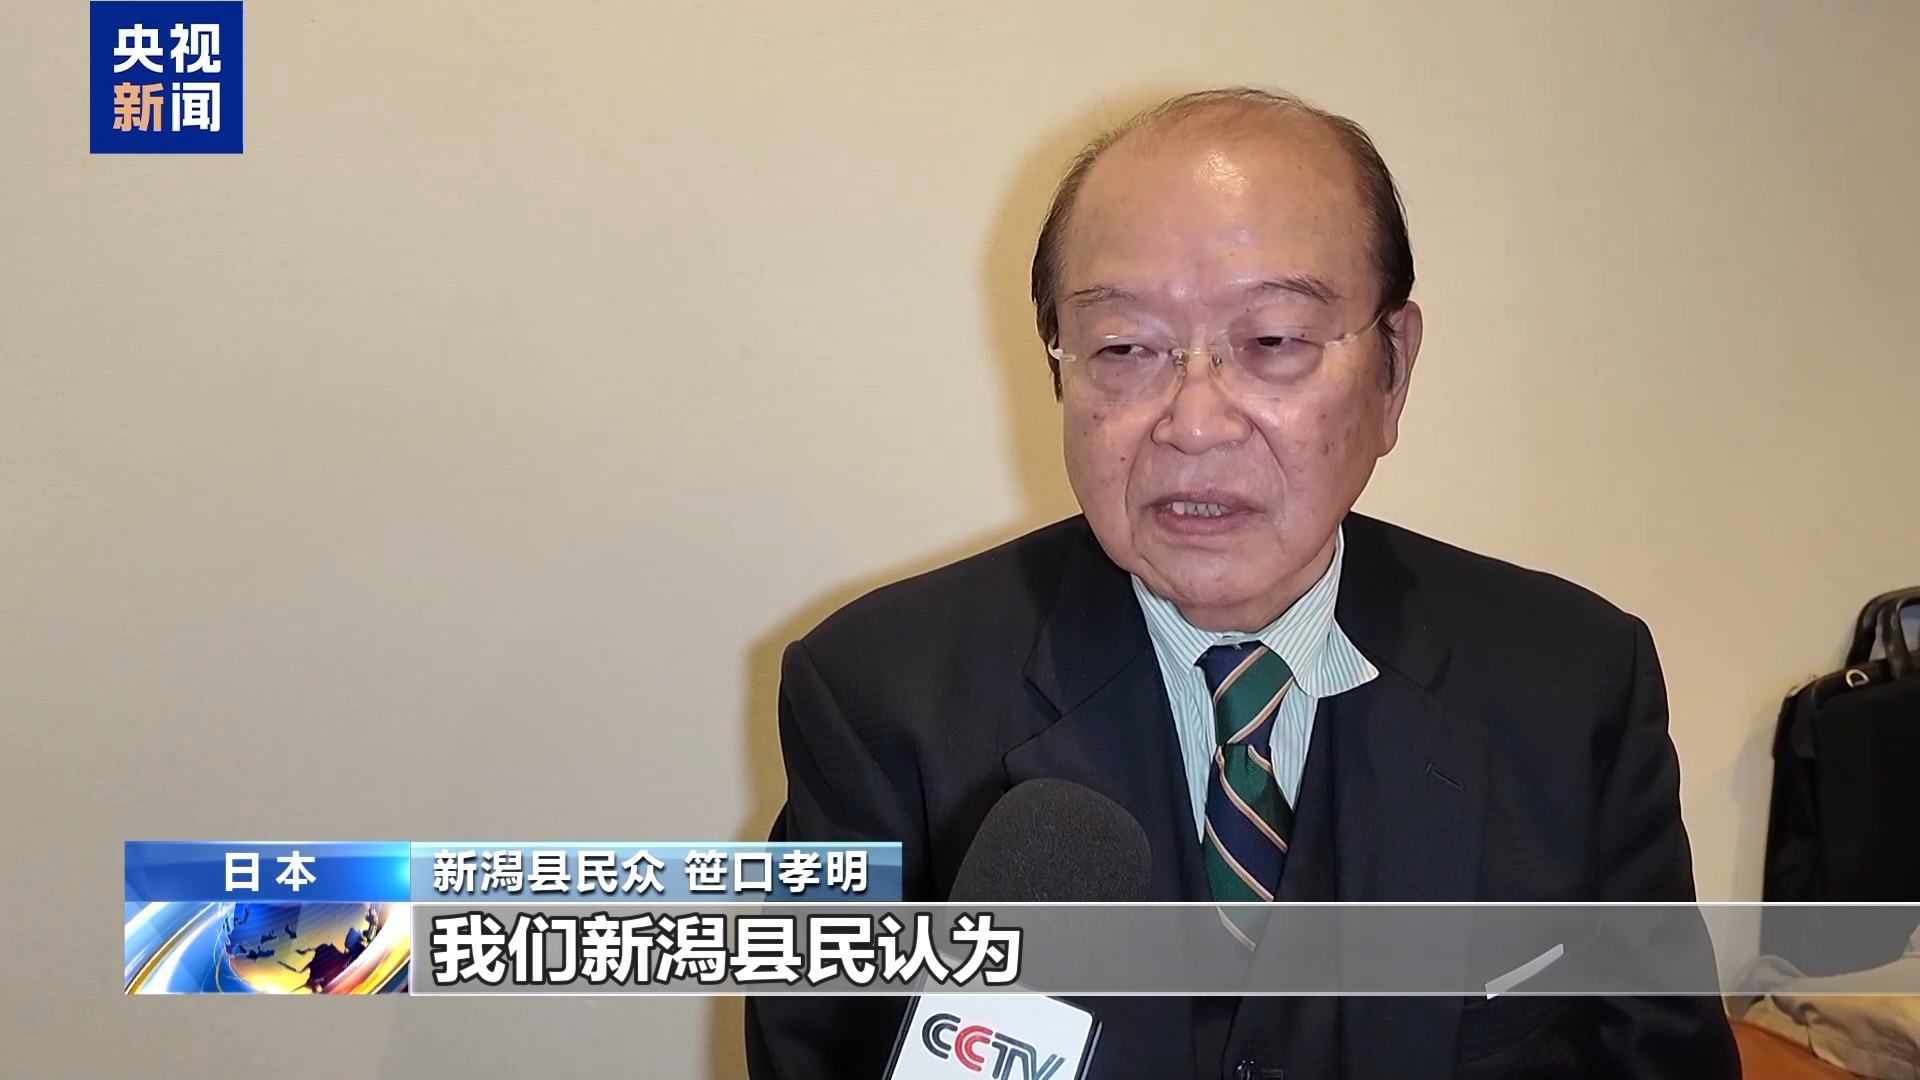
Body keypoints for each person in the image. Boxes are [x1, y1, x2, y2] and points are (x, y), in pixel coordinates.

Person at [745, 87, 1740, 1080]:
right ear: (1063, 373)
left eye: (1271, 342)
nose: (1194, 424)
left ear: (1392, 370)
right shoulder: (877, 700)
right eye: (1124, 348)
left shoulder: (1572, 683)